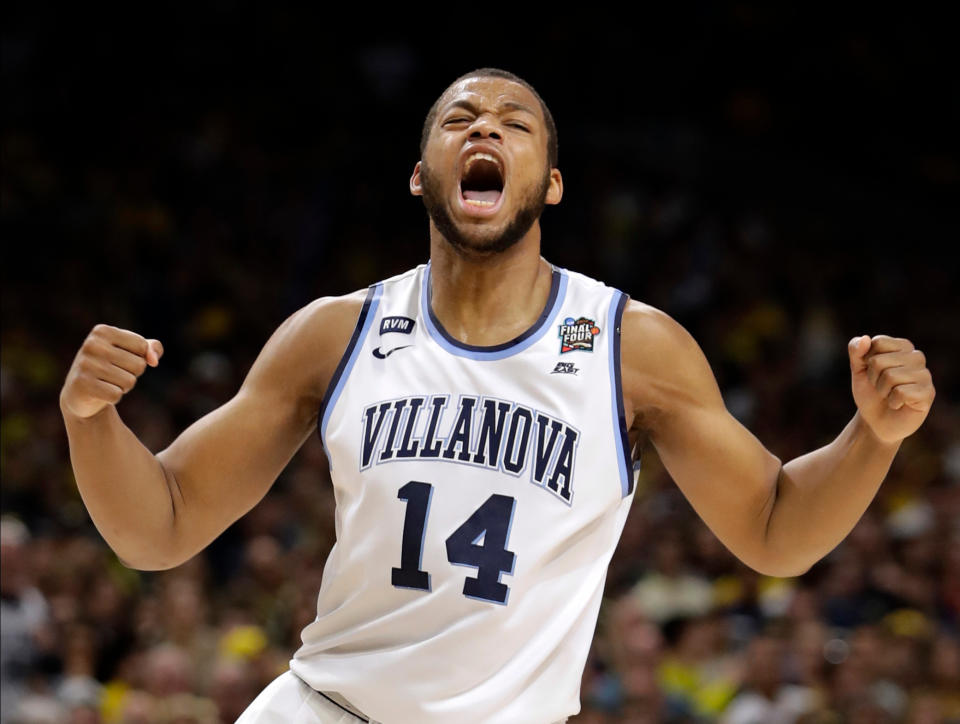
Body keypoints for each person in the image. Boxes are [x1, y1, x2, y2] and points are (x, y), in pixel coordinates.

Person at [59, 68, 936, 723]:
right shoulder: (336, 332)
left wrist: (874, 437)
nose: (487, 131)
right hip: (326, 710)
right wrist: (90, 423)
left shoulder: (633, 347)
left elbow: (777, 530)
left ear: (549, 182)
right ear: (419, 173)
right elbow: (161, 523)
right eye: (461, 119)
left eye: (516, 125)